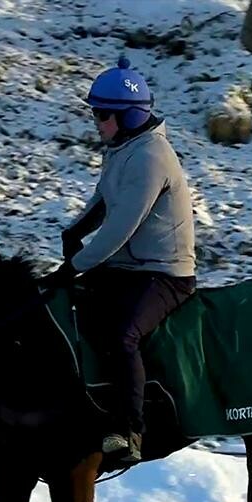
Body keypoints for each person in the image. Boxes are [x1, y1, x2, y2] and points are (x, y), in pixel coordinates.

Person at [45, 56, 197, 464]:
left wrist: (75, 265)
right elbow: (103, 200)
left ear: (128, 117)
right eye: (95, 112)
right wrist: (73, 230)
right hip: (128, 268)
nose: (96, 121)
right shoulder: (123, 147)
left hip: (163, 275)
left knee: (121, 335)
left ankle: (129, 430)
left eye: (102, 114)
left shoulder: (151, 157)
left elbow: (120, 228)